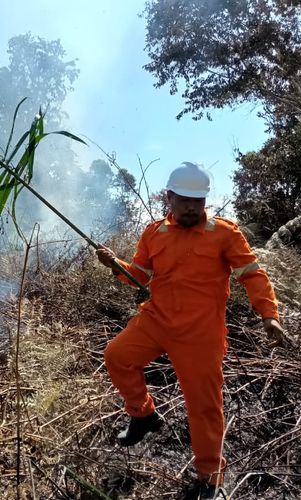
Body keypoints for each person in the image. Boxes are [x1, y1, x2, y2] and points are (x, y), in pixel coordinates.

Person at [96, 162, 286, 500]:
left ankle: (211, 477)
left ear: (204, 201)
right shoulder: (154, 233)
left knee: (204, 406)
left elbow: (252, 274)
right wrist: (116, 265)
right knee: (117, 356)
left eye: (197, 201)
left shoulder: (225, 233)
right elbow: (139, 276)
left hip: (201, 333)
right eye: (183, 200)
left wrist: (268, 314)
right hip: (156, 320)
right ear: (169, 197)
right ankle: (142, 415)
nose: (190, 207)